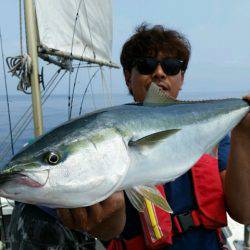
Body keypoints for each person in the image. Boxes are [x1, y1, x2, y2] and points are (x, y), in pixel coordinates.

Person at [8, 24, 250, 250]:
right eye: (145, 65)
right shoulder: (103, 143)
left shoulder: (218, 138)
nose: (158, 73)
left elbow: (245, 212)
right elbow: (112, 229)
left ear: (182, 77)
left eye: (171, 66)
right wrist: (105, 225)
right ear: (127, 77)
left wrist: (243, 134)